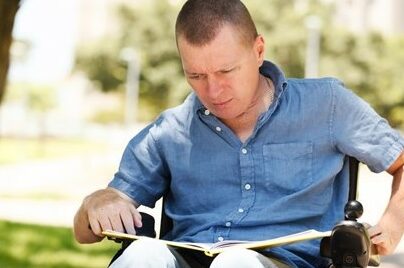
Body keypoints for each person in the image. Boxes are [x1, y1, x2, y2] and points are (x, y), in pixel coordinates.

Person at [73, 0, 404, 267]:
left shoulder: (327, 105)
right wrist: (96, 202)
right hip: (186, 259)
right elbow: (84, 233)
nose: (214, 90)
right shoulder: (168, 132)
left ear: (258, 51)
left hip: (286, 263)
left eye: (226, 71)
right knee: (142, 256)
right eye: (196, 75)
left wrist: (390, 227)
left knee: (237, 263)